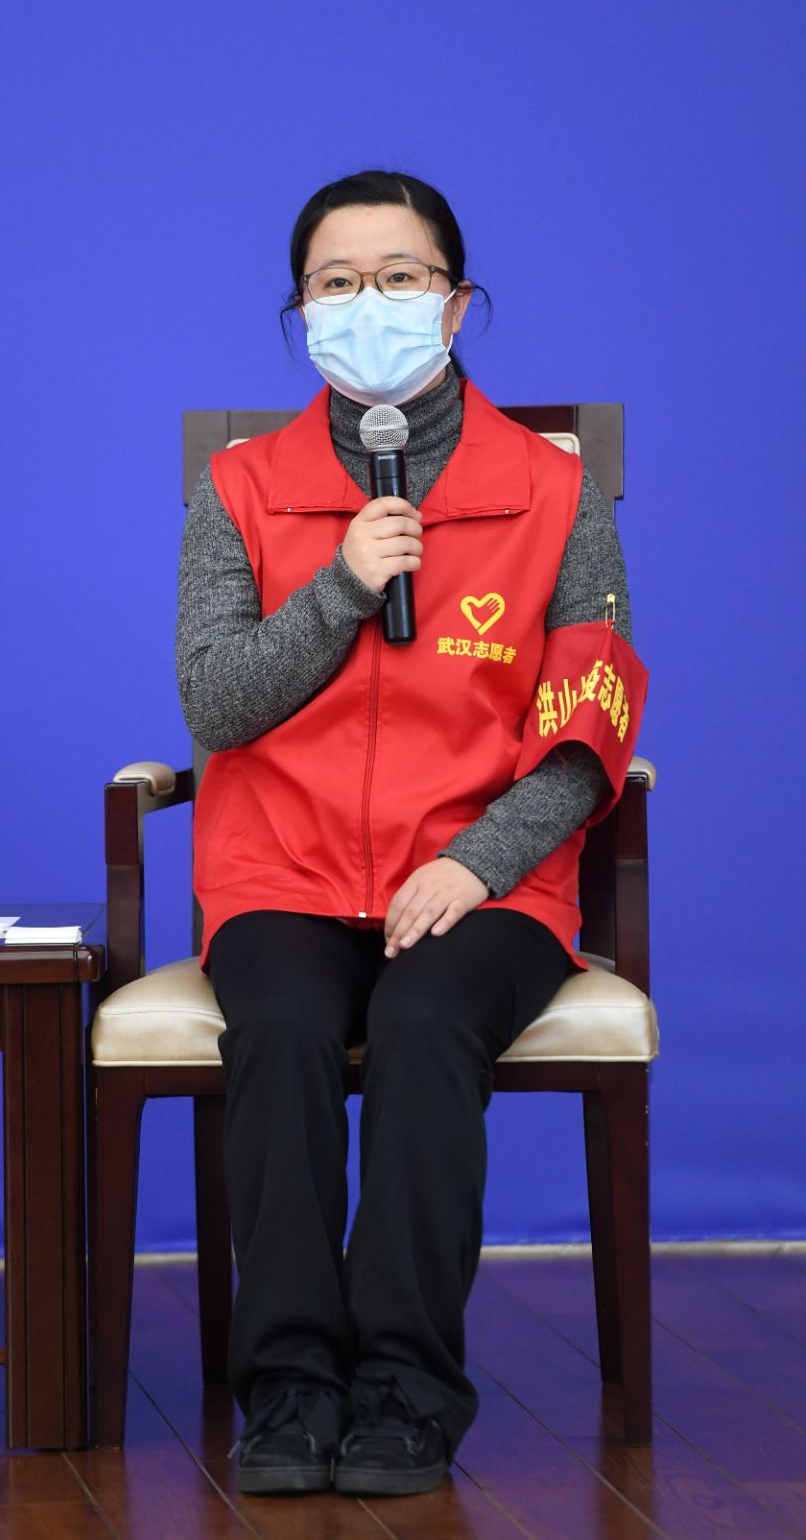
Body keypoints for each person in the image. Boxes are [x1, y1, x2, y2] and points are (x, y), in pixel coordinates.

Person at [176, 170, 647, 1498]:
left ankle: (405, 1391)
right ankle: (289, 1389)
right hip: (285, 869)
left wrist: (478, 861)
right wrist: (342, 585)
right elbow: (216, 701)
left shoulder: (553, 492)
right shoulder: (241, 487)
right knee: (279, 1025)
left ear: (455, 301)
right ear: (300, 313)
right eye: (336, 283)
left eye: (399, 276)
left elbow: (586, 727)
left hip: (485, 880)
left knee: (430, 1019)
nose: (367, 302)